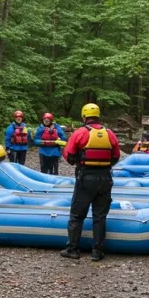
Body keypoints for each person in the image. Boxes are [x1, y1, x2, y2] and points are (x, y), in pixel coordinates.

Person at [61, 103, 120, 261]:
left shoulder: (80, 132)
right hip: (105, 179)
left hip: (85, 179)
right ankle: (97, 251)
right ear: (98, 115)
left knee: (76, 215)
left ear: (84, 116)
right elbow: (115, 157)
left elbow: (69, 156)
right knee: (100, 216)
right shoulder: (109, 133)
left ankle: (73, 249)